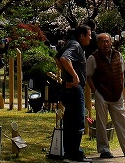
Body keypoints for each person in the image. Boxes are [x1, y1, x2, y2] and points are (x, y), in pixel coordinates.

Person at [85, 33, 125, 159]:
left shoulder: (118, 55)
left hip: (117, 93)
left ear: (111, 42)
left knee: (122, 121)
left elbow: (122, 72)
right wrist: (95, 91)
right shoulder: (93, 58)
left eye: (107, 41)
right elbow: (89, 76)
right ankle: (104, 150)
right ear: (98, 44)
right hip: (101, 93)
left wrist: (121, 87)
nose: (106, 44)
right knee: (102, 123)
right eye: (102, 42)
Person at [57, 25, 93, 161]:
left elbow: (57, 57)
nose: (90, 38)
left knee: (69, 120)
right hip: (75, 89)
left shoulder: (69, 43)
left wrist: (65, 74)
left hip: (68, 88)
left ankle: (69, 152)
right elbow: (64, 58)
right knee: (78, 121)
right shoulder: (75, 45)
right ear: (82, 36)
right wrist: (74, 76)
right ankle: (76, 153)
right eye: (89, 35)